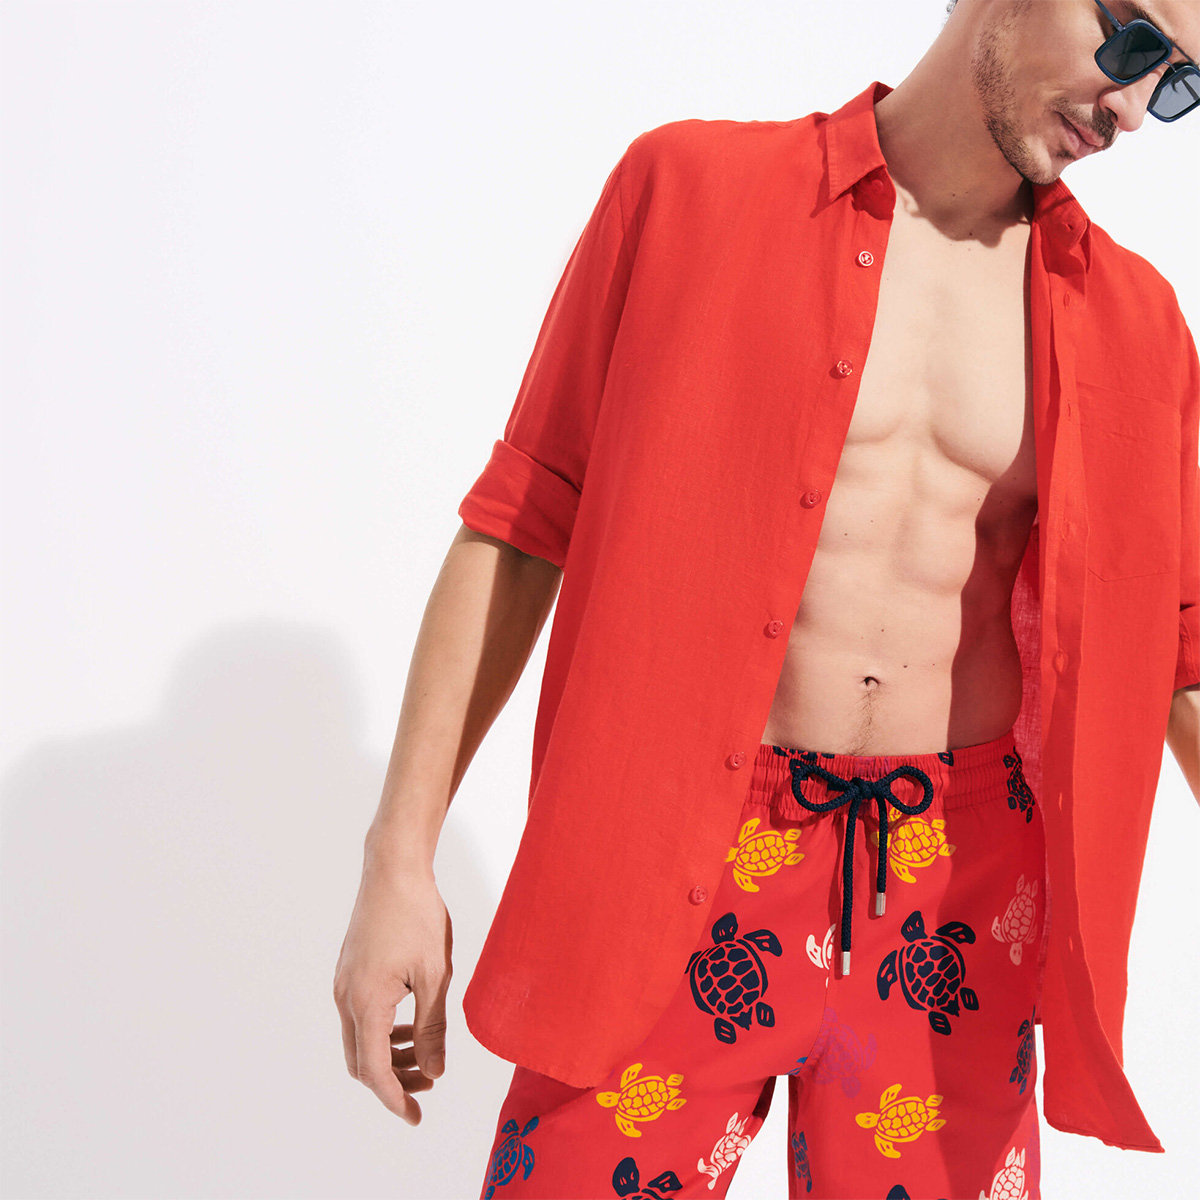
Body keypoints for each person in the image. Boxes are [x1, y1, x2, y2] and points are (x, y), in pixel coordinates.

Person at [334, 0, 1200, 1196]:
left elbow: (1181, 654)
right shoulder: (689, 192)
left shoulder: (1135, 325)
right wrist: (398, 858)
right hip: (676, 868)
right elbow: (523, 526)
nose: (1134, 108)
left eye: (1179, 84)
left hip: (958, 894)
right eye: (1133, 41)